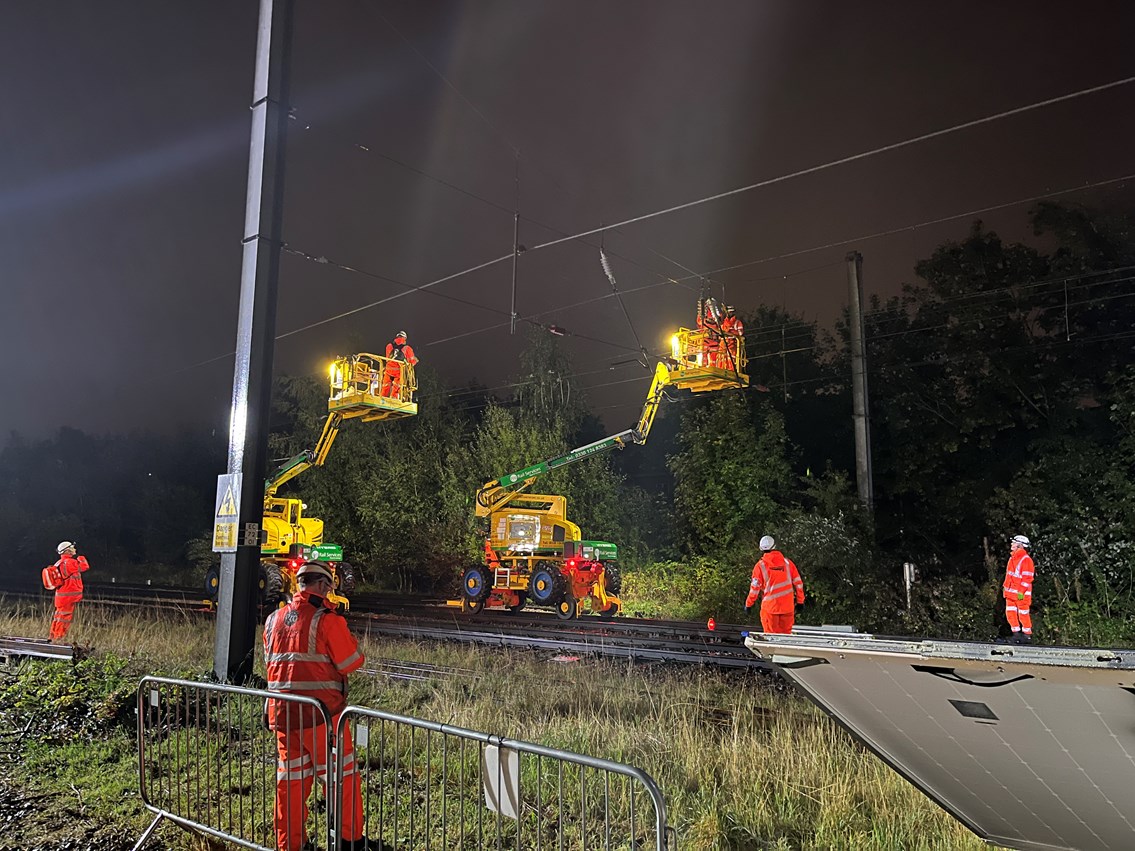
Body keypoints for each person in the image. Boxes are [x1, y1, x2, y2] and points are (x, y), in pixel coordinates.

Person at [264, 561, 368, 851]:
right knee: (342, 782)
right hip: (323, 718)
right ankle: (349, 842)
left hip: (284, 716)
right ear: (323, 586)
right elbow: (351, 662)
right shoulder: (327, 620)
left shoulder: (273, 620)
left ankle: (290, 845)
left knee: (291, 786)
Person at [744, 535, 805, 634]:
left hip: (770, 610)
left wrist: (748, 604)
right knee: (785, 639)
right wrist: (800, 602)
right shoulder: (788, 563)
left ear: (761, 548)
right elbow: (798, 584)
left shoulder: (760, 566)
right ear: (774, 546)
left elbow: (754, 589)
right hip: (787, 608)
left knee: (770, 639)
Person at [48, 541, 89, 642]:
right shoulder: (70, 562)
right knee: (64, 618)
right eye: (72, 548)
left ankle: (52, 637)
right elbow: (85, 566)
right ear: (67, 550)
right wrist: (81, 558)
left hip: (61, 596)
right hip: (68, 597)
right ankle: (59, 638)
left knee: (58, 617)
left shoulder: (58, 563)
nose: (75, 549)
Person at [1003, 534, 1035, 644]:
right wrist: (1006, 589)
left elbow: (1027, 578)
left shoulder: (1026, 560)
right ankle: (1016, 634)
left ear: (1020, 545)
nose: (1012, 544)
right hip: (1010, 594)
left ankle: (1027, 635)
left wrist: (1021, 592)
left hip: (1020, 595)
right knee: (1011, 613)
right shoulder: (1013, 558)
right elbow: (1009, 576)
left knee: (1023, 614)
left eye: (1014, 542)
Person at [380, 330, 418, 399]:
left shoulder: (389, 346)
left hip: (388, 371)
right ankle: (394, 399)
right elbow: (411, 362)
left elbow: (387, 358)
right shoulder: (407, 349)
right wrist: (415, 360)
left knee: (385, 386)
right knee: (396, 388)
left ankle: (382, 399)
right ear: (405, 339)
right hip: (398, 372)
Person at [719, 305, 744, 369]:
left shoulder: (737, 322)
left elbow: (740, 333)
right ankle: (721, 369)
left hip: (732, 343)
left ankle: (732, 370)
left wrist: (731, 332)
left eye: (731, 312)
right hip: (723, 343)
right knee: (721, 357)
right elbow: (720, 332)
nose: (730, 313)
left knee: (731, 358)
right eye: (729, 312)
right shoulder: (724, 322)